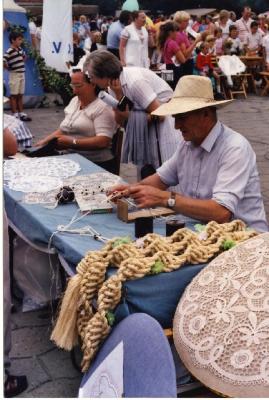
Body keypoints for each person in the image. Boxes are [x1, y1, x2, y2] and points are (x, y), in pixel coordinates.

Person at [108, 75, 268, 232]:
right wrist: (129, 190)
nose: (177, 126)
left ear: (205, 114)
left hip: (246, 238)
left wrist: (164, 198)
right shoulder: (187, 145)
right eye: (175, 118)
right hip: (205, 232)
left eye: (182, 118)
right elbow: (159, 180)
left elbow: (221, 212)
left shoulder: (234, 148)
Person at [83, 50, 180, 182]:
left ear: (103, 74)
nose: (92, 81)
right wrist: (119, 96)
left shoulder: (134, 82)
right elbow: (120, 121)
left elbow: (160, 114)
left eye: (92, 76)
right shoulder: (113, 86)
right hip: (146, 132)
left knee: (165, 177)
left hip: (164, 129)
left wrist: (131, 117)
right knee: (147, 177)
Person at [36, 71, 118, 174]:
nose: (74, 91)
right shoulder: (75, 101)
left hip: (96, 164)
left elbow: (103, 141)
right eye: (72, 86)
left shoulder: (102, 106)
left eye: (78, 86)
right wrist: (43, 143)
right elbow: (64, 129)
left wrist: (72, 142)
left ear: (92, 84)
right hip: (71, 158)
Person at [3, 31, 32, 121]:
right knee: (14, 95)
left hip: (21, 74)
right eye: (19, 39)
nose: (21, 41)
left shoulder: (20, 49)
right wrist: (7, 67)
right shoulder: (9, 50)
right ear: (13, 40)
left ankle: (21, 112)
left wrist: (22, 59)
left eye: (21, 39)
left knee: (20, 94)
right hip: (14, 75)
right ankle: (14, 113)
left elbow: (24, 57)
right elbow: (4, 59)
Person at [157, 22, 186, 89]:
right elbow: (183, 60)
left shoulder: (165, 42)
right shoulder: (173, 43)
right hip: (175, 70)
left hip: (167, 68)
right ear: (170, 32)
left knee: (169, 89)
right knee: (176, 90)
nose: (177, 33)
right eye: (176, 31)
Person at [173, 11, 201, 76]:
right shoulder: (179, 34)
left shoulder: (183, 33)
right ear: (179, 22)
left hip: (186, 63)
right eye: (185, 21)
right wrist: (196, 42)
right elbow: (185, 54)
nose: (188, 23)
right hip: (184, 65)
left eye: (188, 21)